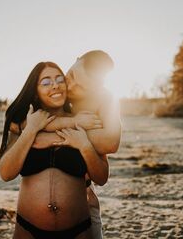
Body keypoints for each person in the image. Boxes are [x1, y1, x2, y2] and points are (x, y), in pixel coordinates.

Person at [11, 50, 121, 238]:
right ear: (76, 60)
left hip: (83, 201)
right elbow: (21, 123)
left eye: (81, 87)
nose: (70, 85)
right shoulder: (53, 87)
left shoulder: (102, 99)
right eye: (71, 76)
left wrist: (45, 136)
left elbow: (110, 142)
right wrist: (70, 124)